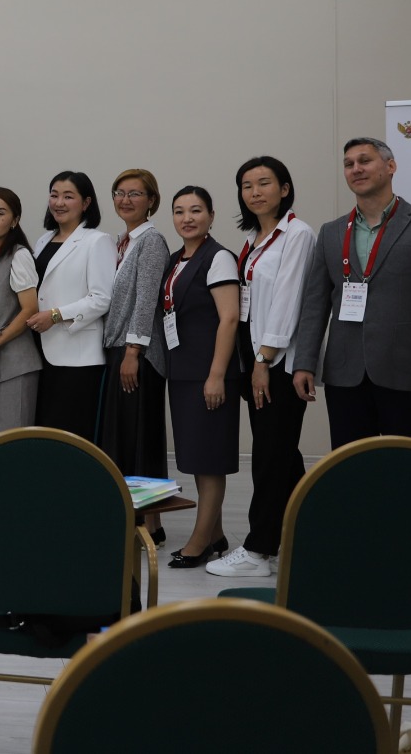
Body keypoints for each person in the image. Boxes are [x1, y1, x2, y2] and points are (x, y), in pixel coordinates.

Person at [294, 136, 411, 446]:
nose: (356, 169)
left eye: (365, 160)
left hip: (407, 375)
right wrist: (304, 362)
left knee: (406, 465)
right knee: (351, 465)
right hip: (344, 376)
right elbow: (314, 305)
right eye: (348, 164)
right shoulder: (332, 232)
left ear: (390, 167)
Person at [208, 156, 316, 578]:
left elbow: (289, 301)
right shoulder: (254, 238)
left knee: (270, 456)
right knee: (283, 455)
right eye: (247, 185)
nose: (254, 192)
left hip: (277, 363)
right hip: (254, 357)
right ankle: (306, 534)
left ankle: (258, 551)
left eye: (264, 183)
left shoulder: (297, 234)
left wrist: (263, 360)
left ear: (284, 189)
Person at [159, 187, 242, 569]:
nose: (187, 218)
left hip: (208, 373)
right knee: (197, 457)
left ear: (211, 215)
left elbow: (229, 318)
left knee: (210, 461)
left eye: (195, 210)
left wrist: (216, 376)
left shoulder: (218, 257)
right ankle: (216, 533)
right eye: (179, 211)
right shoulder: (176, 259)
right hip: (183, 371)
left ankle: (199, 542)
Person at [98, 168, 170, 542]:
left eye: (135, 194)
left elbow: (146, 300)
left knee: (142, 440)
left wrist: (133, 351)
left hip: (138, 355)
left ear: (151, 200)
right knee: (124, 438)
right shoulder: (121, 242)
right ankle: (132, 519)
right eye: (120, 193)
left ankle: (151, 525)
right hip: (119, 350)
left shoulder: (151, 241)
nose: (125, 200)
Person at [27, 171, 115, 440]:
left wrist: (55, 315)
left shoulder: (97, 241)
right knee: (45, 432)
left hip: (77, 356)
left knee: (70, 435)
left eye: (68, 196)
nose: (59, 203)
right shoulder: (43, 240)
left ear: (86, 203)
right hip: (40, 350)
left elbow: (101, 298)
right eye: (54, 195)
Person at [0, 188, 43, 434]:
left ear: (14, 220)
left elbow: (30, 309)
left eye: (0, 213)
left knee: (13, 439)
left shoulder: (19, 255)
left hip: (17, 363)